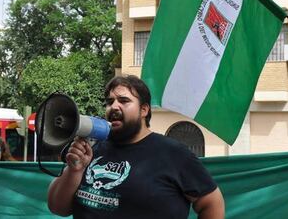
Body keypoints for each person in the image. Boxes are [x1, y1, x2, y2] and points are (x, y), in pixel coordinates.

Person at [48, 75, 225, 219]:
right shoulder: (91, 150)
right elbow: (58, 208)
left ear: (144, 110)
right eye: (110, 102)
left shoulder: (174, 154)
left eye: (124, 100)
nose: (114, 106)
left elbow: (212, 203)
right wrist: (74, 171)